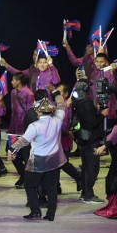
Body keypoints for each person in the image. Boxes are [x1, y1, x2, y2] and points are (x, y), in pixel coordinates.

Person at [9, 91, 69, 221]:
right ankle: (51, 214)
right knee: (51, 188)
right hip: (53, 160)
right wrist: (57, 94)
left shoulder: (35, 126)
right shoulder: (57, 119)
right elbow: (61, 105)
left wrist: (12, 149)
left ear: (40, 112)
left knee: (30, 186)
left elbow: (23, 141)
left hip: (38, 160)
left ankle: (35, 211)